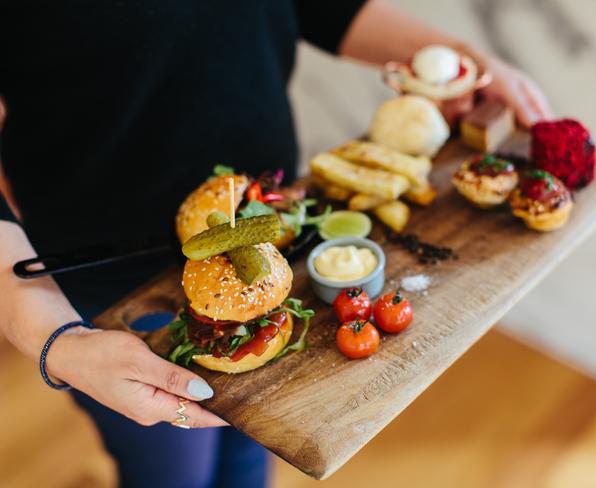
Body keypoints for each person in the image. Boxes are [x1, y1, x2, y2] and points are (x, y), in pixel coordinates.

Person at [0, 1, 553, 487]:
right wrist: (52, 338)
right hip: (103, 282)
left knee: (252, 449)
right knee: (172, 472)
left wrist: (454, 63)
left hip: (269, 232)